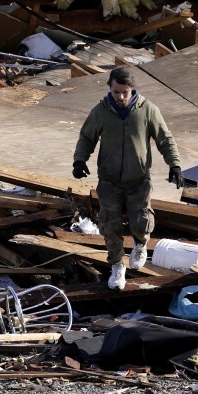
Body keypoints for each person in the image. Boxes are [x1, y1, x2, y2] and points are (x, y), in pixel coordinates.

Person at [73, 67, 183, 290]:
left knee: (140, 221)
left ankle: (141, 244)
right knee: (109, 225)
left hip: (138, 179)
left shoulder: (147, 110)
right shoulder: (100, 112)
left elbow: (165, 139)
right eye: (116, 92)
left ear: (132, 89)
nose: (121, 97)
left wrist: (175, 165)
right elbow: (86, 137)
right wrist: (79, 160)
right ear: (110, 89)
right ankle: (116, 265)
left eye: (125, 92)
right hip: (109, 181)